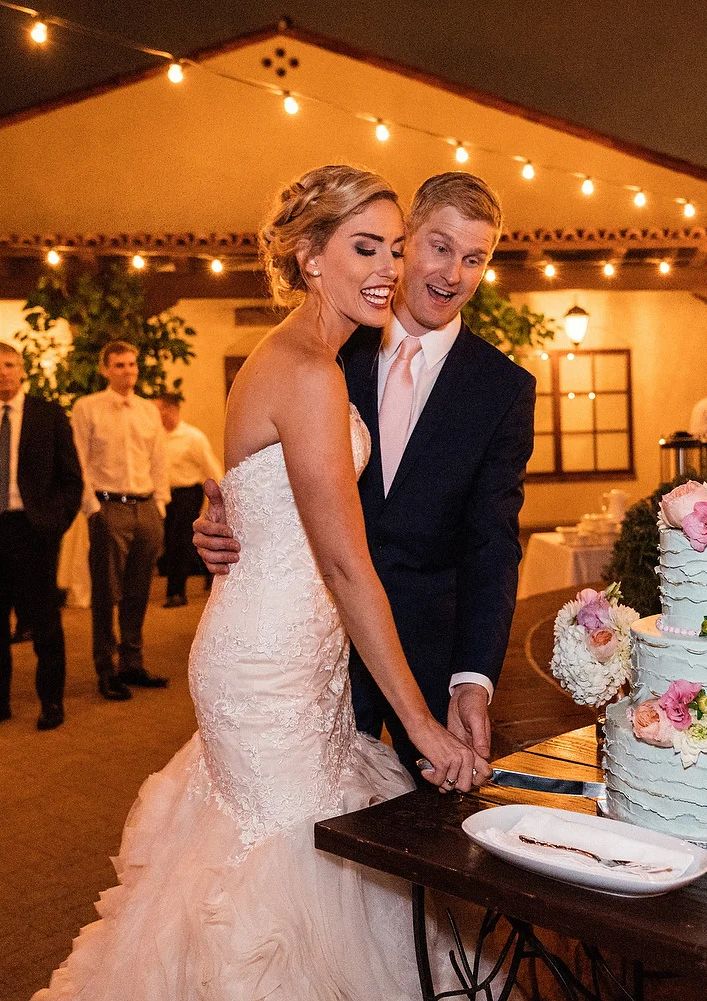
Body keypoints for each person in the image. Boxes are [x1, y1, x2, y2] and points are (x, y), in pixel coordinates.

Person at [34, 165, 490, 999]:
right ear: (310, 256)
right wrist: (422, 726)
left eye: (394, 247)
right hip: (270, 665)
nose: (389, 268)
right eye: (366, 247)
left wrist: (225, 521)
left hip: (291, 653)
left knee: (293, 860)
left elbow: (252, 496)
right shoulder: (311, 369)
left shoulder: (303, 353)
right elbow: (344, 562)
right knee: (277, 881)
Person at [193, 170, 535, 775]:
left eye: (474, 259)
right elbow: (275, 489)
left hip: (427, 658)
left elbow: (493, 543)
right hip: (300, 655)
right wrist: (226, 527)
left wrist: (472, 677)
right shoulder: (325, 352)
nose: (452, 274)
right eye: (436, 247)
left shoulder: (502, 388)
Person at [0, 342, 83, 733]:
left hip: (33, 530)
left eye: (9, 364)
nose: (3, 372)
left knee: (45, 621)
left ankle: (51, 702)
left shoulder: (48, 414)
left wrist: (55, 522)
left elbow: (71, 477)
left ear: (22, 368)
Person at [71, 341, 169, 698]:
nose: (128, 370)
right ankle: (106, 669)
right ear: (105, 370)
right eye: (119, 365)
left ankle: (132, 663)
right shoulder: (87, 407)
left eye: (131, 364)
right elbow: (79, 459)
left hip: (145, 506)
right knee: (105, 593)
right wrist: (92, 507)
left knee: (139, 591)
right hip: (108, 506)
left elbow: (159, 459)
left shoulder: (148, 410)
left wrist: (160, 504)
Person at [154, 392, 221, 608]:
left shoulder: (193, 437)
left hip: (187, 493)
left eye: (157, 409)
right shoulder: (156, 437)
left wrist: (219, 497)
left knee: (179, 541)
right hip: (164, 494)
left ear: (170, 410)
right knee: (172, 541)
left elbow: (210, 468)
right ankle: (207, 572)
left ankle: (176, 592)